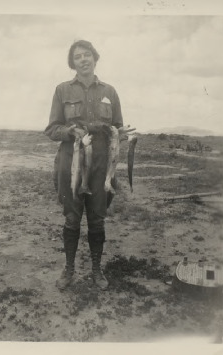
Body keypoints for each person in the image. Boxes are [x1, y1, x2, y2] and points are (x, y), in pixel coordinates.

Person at [45, 40, 134, 291]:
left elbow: (117, 125)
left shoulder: (110, 91)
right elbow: (52, 129)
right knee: (72, 219)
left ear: (95, 58)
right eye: (77, 57)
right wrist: (69, 131)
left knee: (97, 220)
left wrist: (123, 134)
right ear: (72, 63)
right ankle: (69, 268)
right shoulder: (62, 90)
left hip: (101, 166)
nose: (83, 59)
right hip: (71, 162)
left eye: (87, 55)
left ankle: (96, 269)